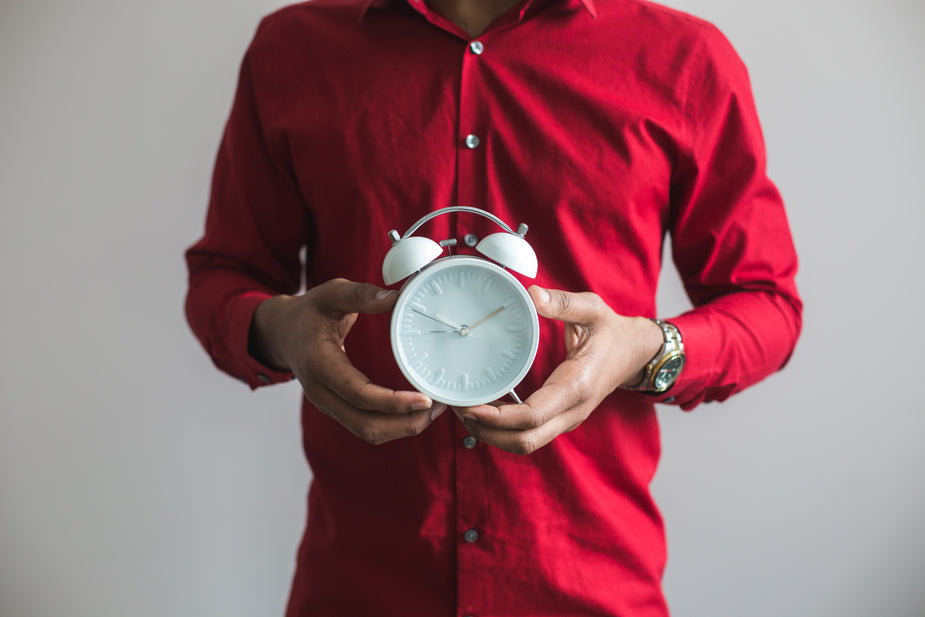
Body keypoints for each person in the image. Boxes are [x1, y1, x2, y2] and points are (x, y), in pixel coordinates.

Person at [185, 0, 802, 614]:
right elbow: (225, 276)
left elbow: (766, 304)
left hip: (588, 584)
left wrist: (645, 350)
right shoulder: (293, 49)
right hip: (362, 585)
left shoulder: (684, 59)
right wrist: (282, 330)